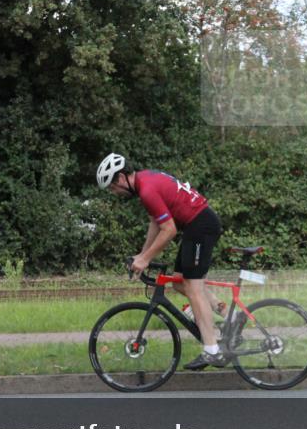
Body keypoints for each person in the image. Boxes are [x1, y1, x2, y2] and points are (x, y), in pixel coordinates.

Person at [96, 153, 228, 369]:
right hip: (196, 225)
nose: (115, 193)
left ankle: (212, 350)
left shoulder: (147, 190)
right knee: (178, 281)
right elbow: (156, 223)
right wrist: (142, 255)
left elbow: (169, 230)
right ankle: (230, 317)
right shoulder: (145, 180)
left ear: (120, 178)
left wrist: (146, 259)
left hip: (200, 226)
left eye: (112, 188)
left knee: (194, 288)